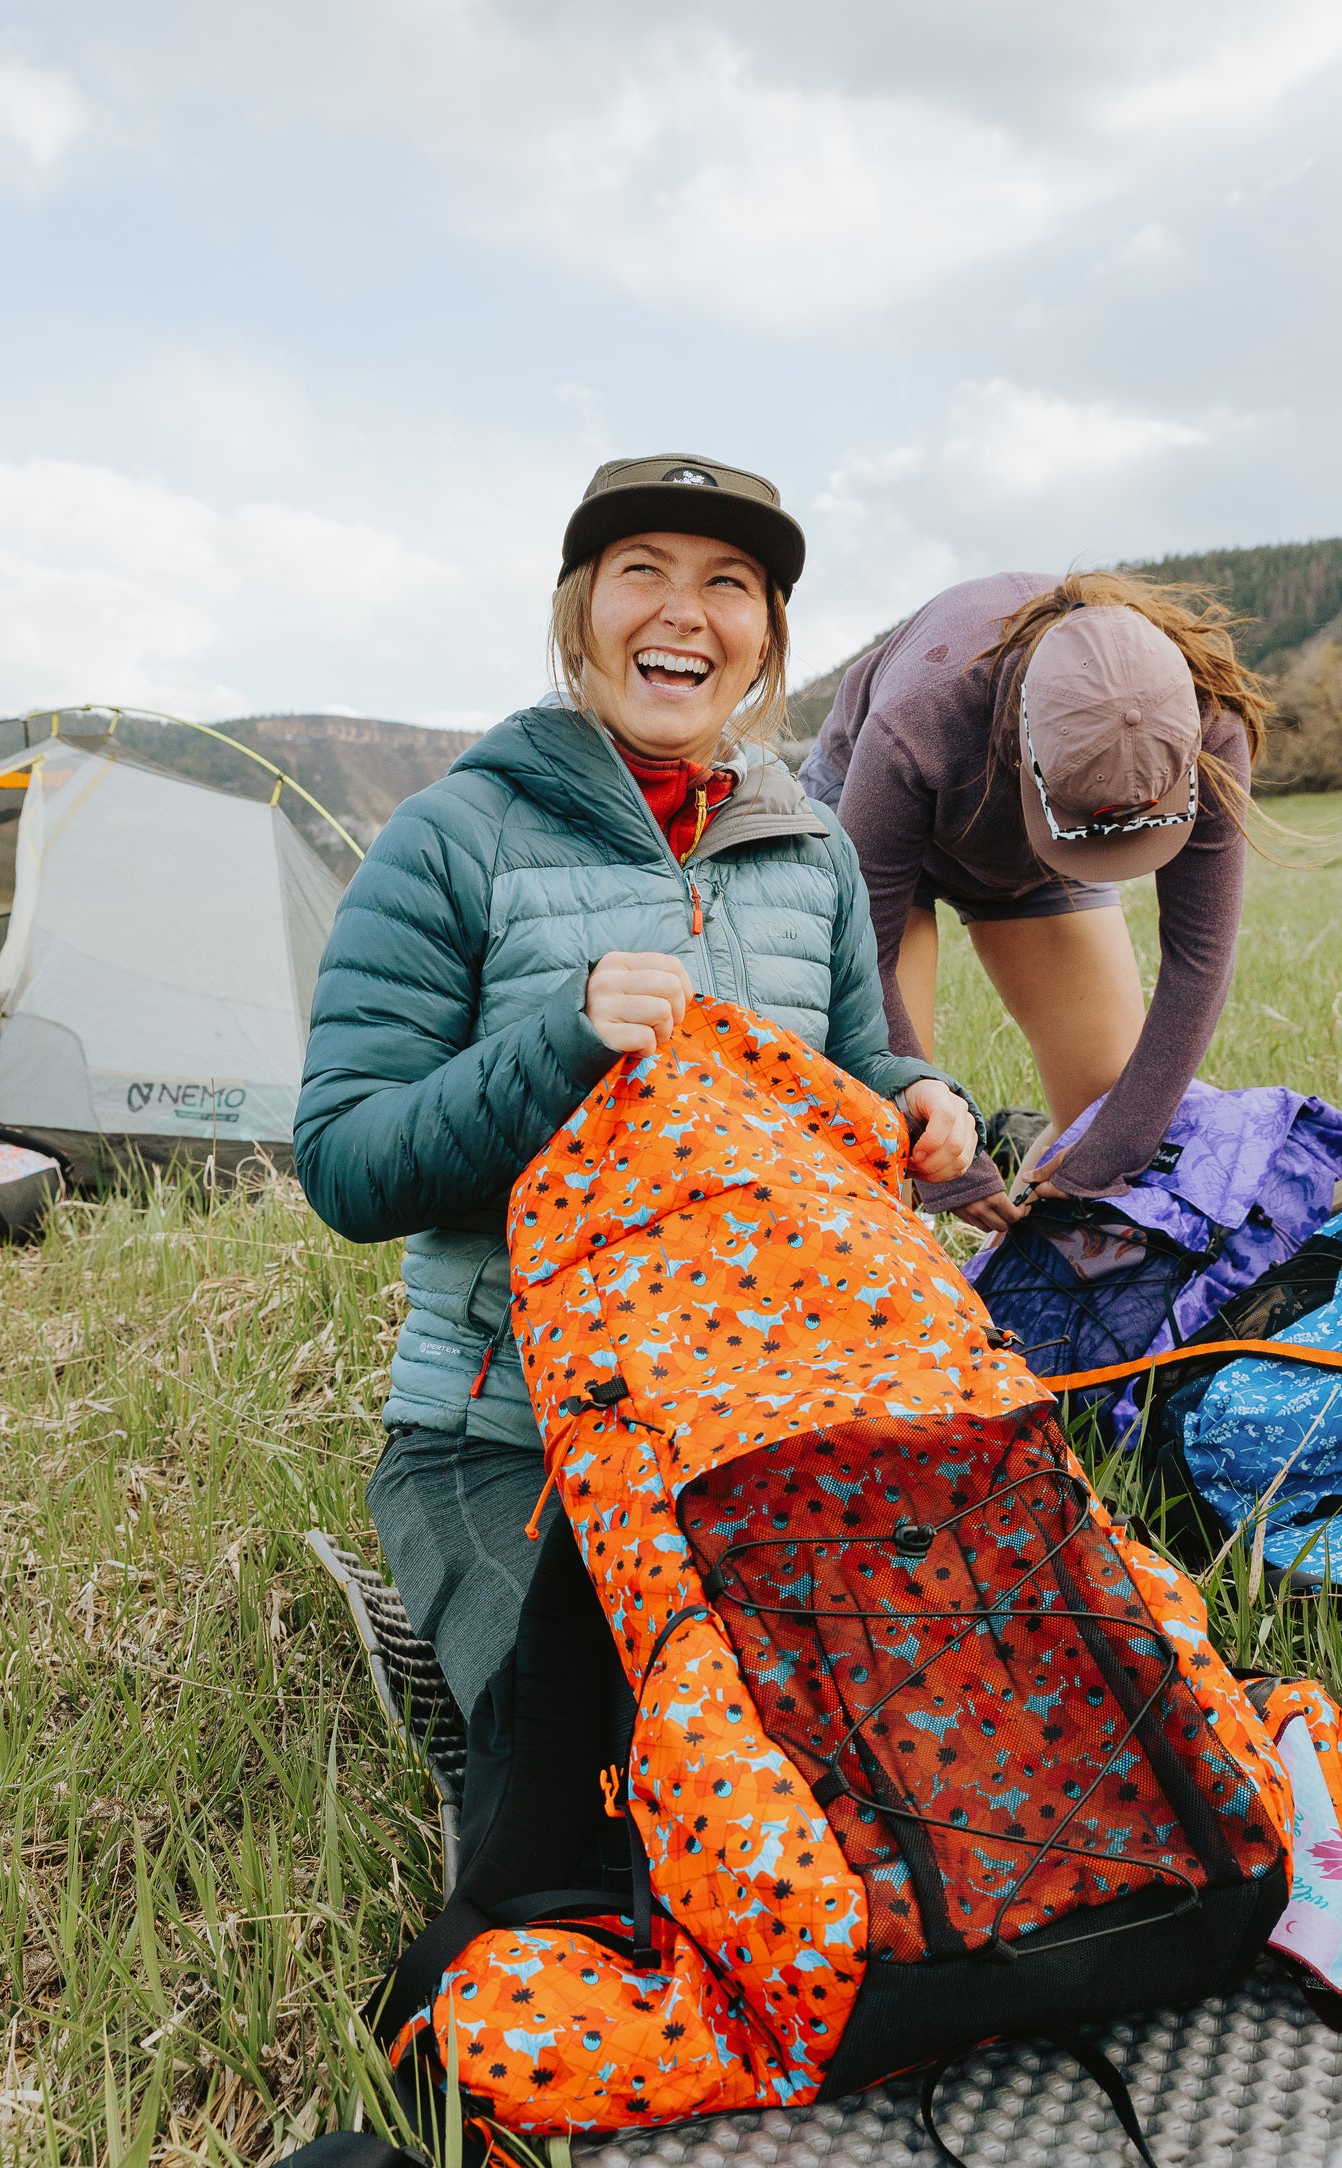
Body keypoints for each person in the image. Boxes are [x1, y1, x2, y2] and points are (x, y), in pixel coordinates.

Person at [294, 453, 983, 1721]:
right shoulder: (452, 836)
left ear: (763, 638)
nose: (683, 611)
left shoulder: (812, 846)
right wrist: (560, 1040)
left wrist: (922, 1096)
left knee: (888, 1713)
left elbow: (847, 1069)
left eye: (727, 583)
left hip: (770, 1415)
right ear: (579, 613)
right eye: (641, 574)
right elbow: (344, 1160)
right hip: (510, 1435)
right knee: (625, 1743)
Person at [798, 570, 1273, 1233]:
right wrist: (944, 1163)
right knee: (883, 1143)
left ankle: (1019, 1249)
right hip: (868, 809)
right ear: (1025, 746)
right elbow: (861, 957)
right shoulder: (917, 719)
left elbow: (1198, 963)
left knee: (1104, 1106)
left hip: (1066, 814)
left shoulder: (1205, 722)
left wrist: (1111, 1150)